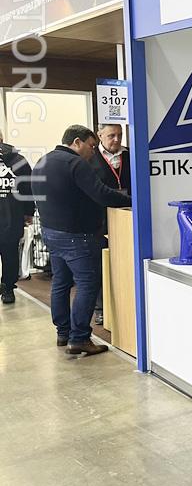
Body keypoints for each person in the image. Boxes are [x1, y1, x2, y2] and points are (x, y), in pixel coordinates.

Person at [31, 125, 131, 356]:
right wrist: (134, 200)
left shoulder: (44, 161)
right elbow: (101, 194)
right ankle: (79, 338)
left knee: (61, 282)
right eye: (91, 146)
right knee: (87, 284)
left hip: (51, 232)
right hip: (77, 236)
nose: (92, 151)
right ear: (77, 142)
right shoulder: (75, 164)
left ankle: (63, 333)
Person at [88, 123, 131, 325]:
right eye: (111, 135)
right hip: (100, 219)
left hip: (127, 217)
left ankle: (125, 303)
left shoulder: (129, 155)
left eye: (119, 135)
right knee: (100, 264)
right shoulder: (90, 158)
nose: (116, 139)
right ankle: (101, 308)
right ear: (100, 135)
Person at [0, 131, 34, 304]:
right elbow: (29, 189)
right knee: (10, 255)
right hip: (12, 217)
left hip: (11, 216)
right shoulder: (19, 160)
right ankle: (8, 289)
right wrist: (29, 212)